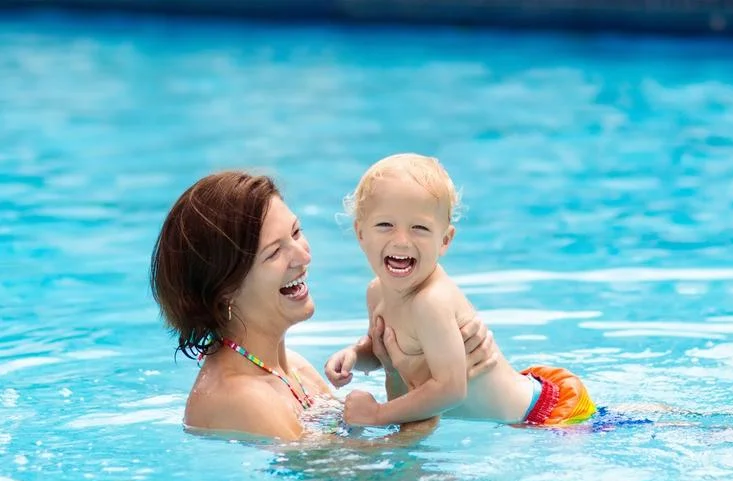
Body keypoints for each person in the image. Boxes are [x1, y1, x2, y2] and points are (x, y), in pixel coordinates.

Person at [149, 170, 498, 442]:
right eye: (274, 252)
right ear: (224, 291)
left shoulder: (293, 369)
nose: (303, 255)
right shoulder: (239, 398)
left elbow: (355, 449)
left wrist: (413, 363)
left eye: (297, 232)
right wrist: (436, 395)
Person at [326, 153, 597, 428]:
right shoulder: (376, 293)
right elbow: (387, 350)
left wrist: (378, 415)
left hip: (545, 416)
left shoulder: (431, 301)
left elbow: (451, 389)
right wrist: (355, 356)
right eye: (385, 225)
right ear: (360, 233)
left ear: (444, 240)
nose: (401, 240)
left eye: (419, 228)